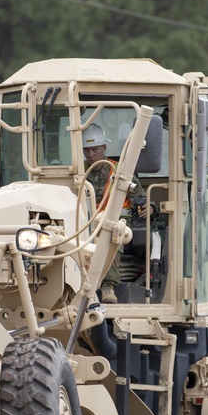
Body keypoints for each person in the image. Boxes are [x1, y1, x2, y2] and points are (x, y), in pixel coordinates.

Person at [82, 123, 147, 303]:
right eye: (86, 150)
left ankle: (108, 286)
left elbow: (140, 199)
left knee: (111, 233)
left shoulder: (119, 172)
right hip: (85, 222)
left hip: (117, 222)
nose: (90, 154)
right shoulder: (78, 173)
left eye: (95, 149)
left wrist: (148, 208)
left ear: (104, 147)